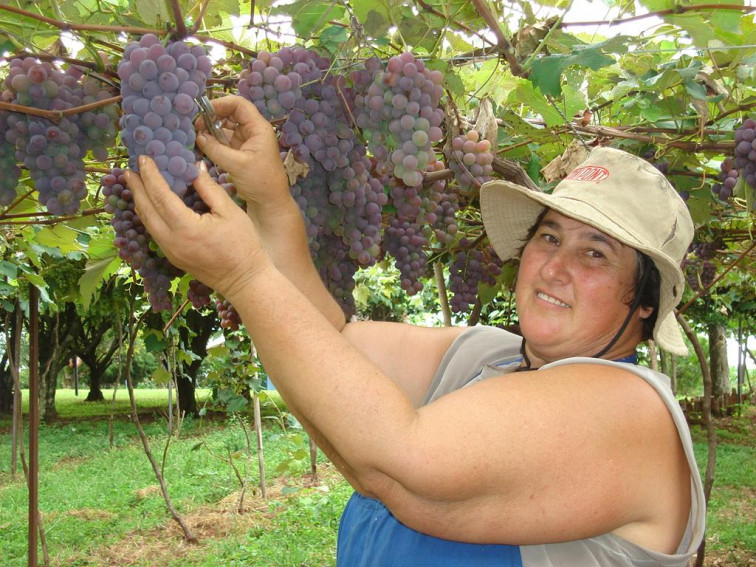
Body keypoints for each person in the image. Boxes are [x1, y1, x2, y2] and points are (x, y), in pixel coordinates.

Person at [125, 95, 706, 566]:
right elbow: (329, 341)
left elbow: (395, 459)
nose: (554, 266)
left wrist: (246, 275)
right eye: (549, 237)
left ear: (647, 305)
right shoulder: (489, 356)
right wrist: (271, 198)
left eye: (596, 254)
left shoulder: (632, 410)